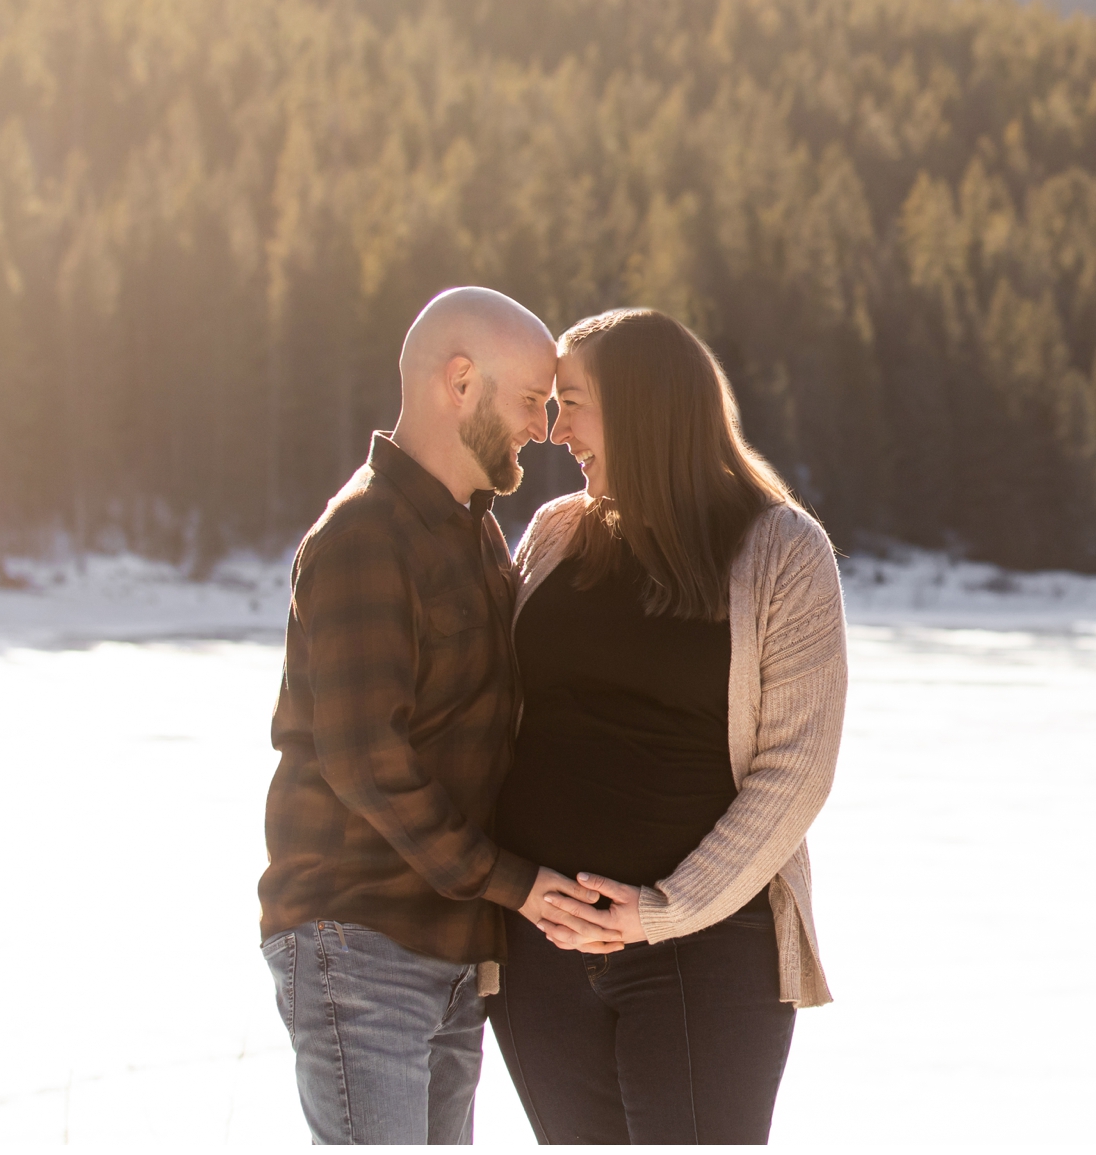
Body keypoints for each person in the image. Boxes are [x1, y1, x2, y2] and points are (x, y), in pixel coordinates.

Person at [486, 307, 848, 1145]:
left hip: (705, 955)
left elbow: (796, 770)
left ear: (644, 406)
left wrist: (660, 911)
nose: (552, 429)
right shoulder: (555, 533)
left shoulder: (783, 551)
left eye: (571, 401)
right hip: (539, 953)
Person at [258, 286, 608, 1144]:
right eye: (532, 400)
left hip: (452, 951)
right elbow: (367, 761)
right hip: (360, 940)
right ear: (460, 381)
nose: (542, 426)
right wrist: (517, 883)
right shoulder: (365, 536)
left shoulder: (478, 535)